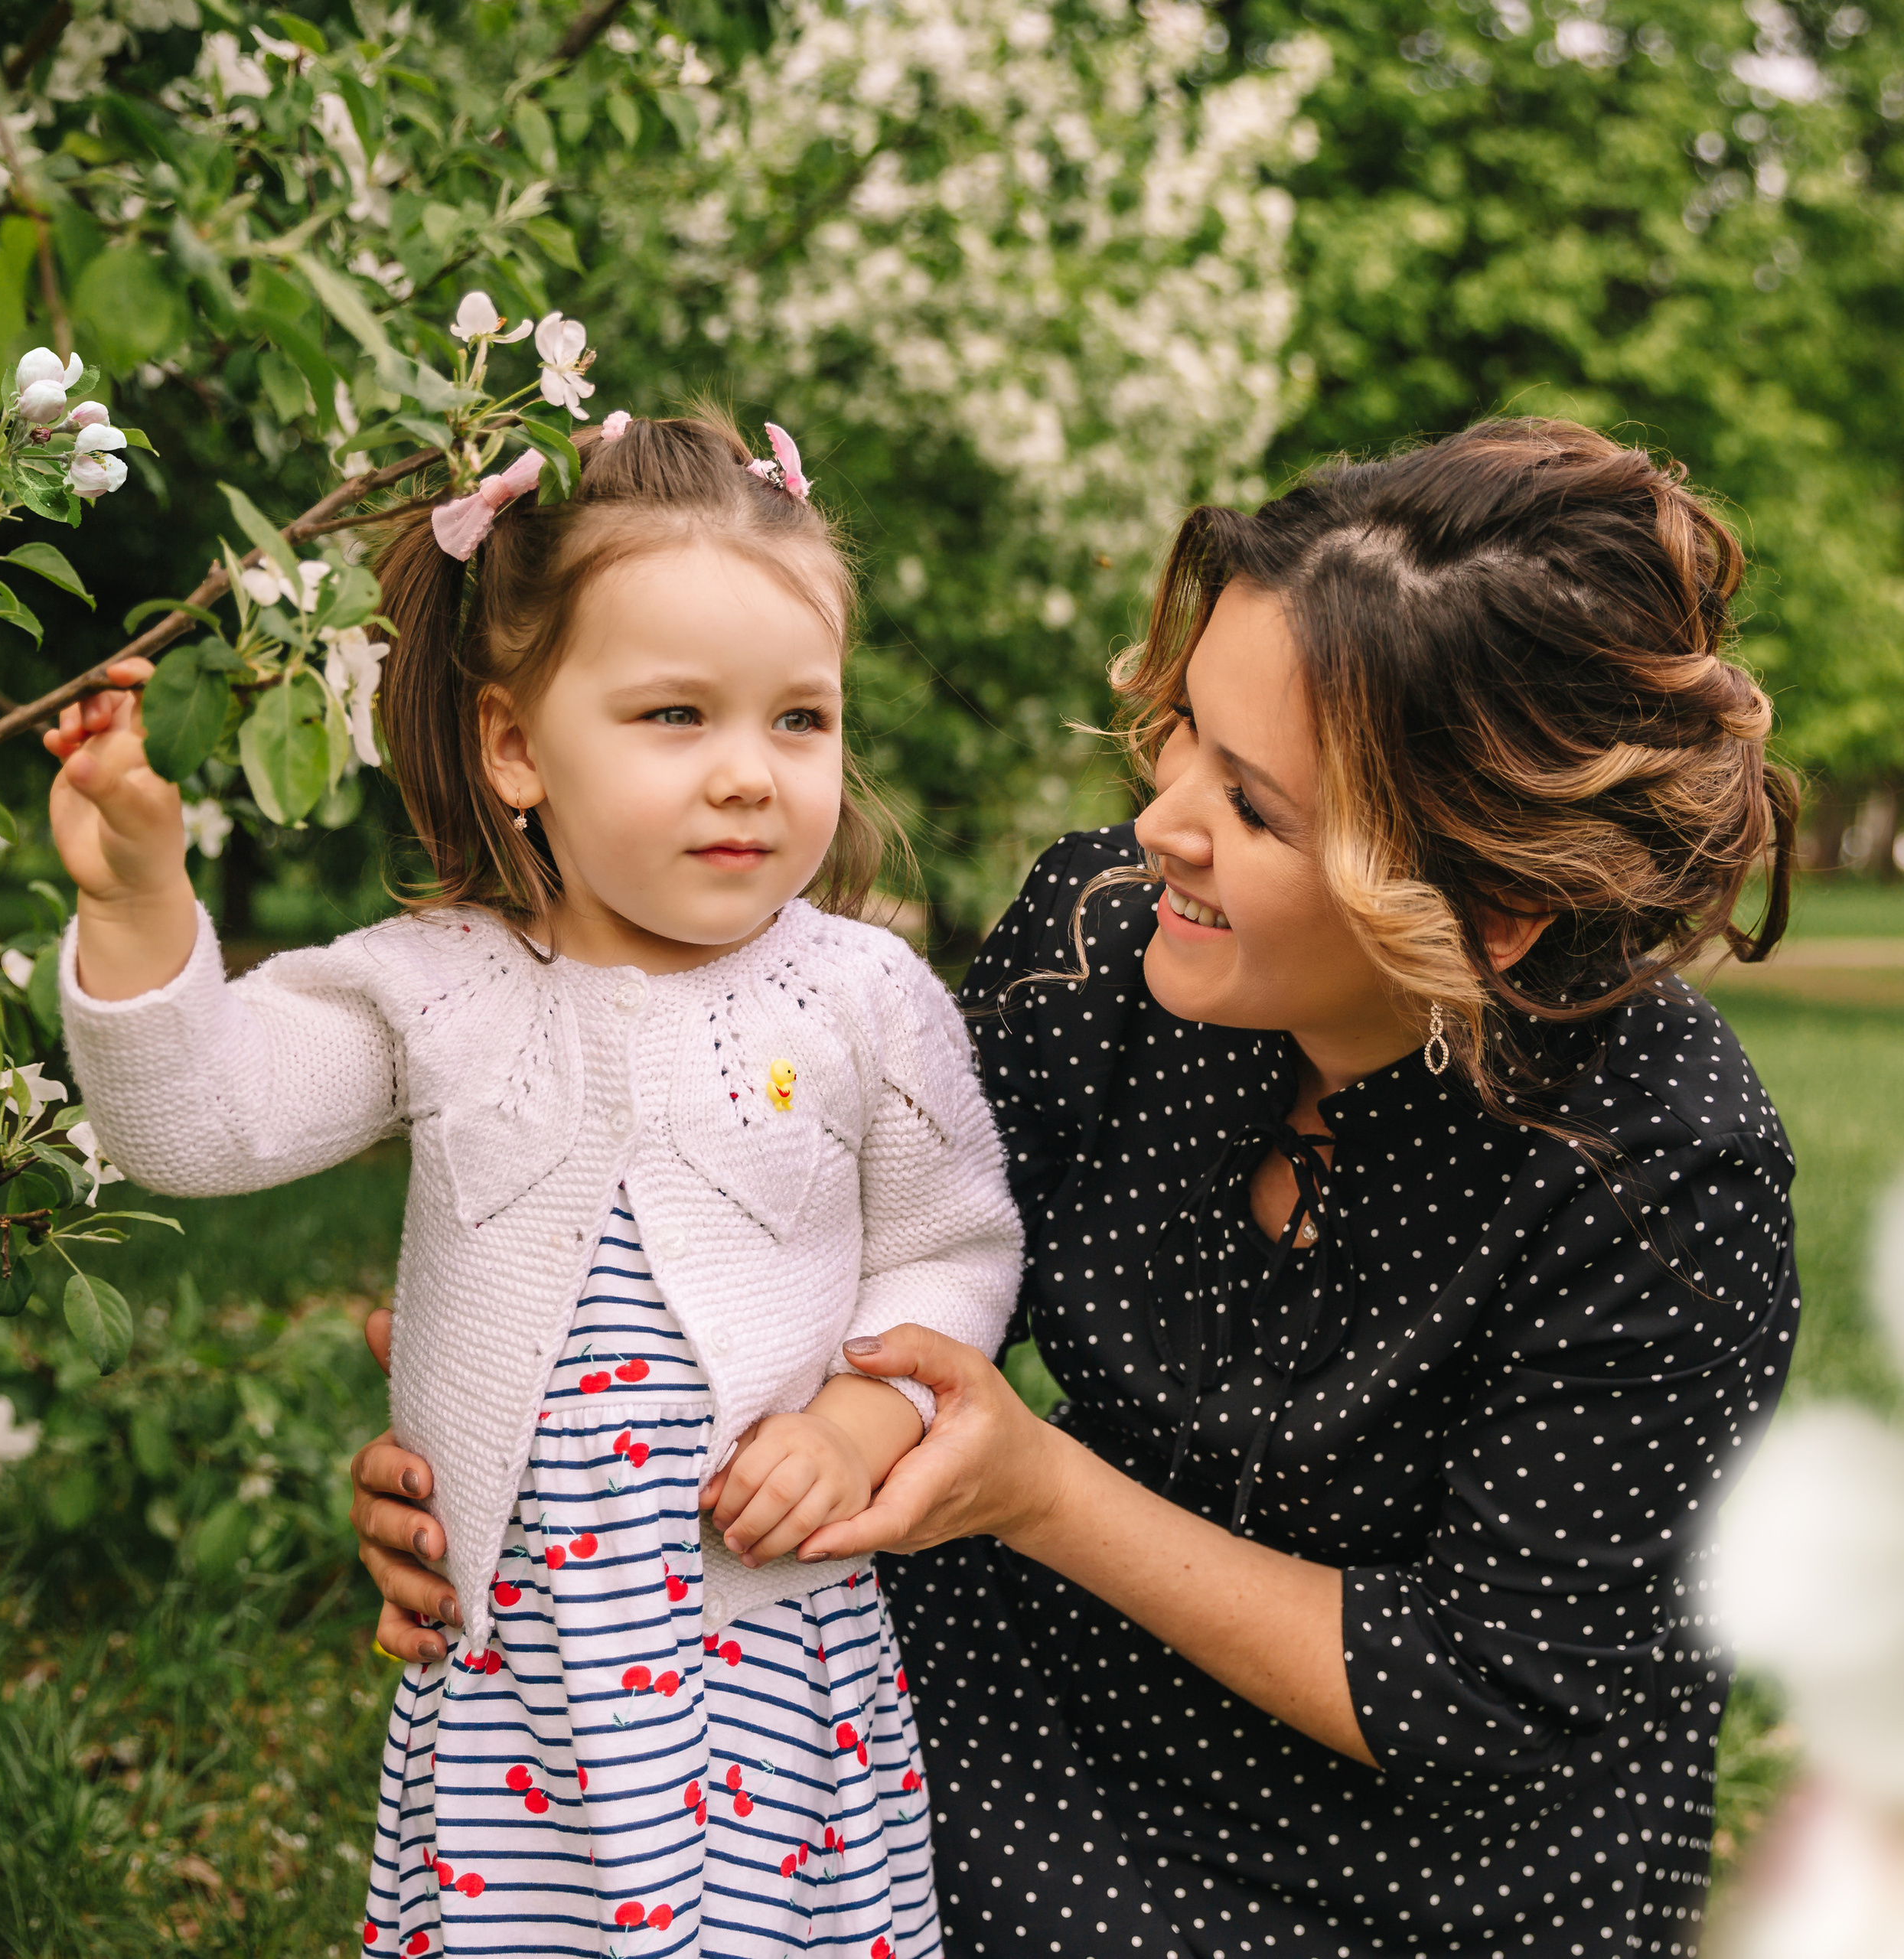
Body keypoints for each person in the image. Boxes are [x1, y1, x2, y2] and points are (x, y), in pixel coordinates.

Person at [354, 417, 1801, 1956]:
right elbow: (851, 1266)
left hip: (1436, 1855)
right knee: (745, 1779)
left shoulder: (1661, 1176)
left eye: (1253, 805)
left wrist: (1039, 1493)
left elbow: (1479, 1690)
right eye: (1186, 730)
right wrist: (529, 1441)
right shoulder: (1103, 945)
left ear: (1487, 909)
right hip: (1068, 1677)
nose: (1162, 818)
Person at [44, 410, 1023, 1957]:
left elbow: (951, 1249)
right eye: (674, 715)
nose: (747, 775)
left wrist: (859, 1420)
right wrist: (135, 906)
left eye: (800, 719)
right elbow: (204, 1123)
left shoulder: (864, 997)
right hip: (524, 1674)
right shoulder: (439, 986)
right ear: (514, 745)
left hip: (770, 1650)